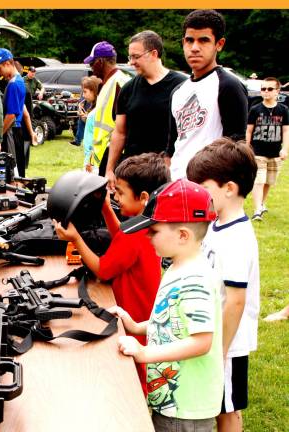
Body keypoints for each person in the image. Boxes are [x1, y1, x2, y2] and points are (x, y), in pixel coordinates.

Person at [53, 153, 170, 394]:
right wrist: (106, 207)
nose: (116, 196)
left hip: (133, 319)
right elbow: (120, 237)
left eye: (120, 193)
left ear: (144, 197)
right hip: (143, 313)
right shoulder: (145, 224)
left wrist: (75, 239)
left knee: (135, 382)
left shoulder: (134, 235)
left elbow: (103, 270)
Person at [112, 178, 223, 431]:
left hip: (185, 408)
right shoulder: (177, 265)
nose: (148, 235)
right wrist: (136, 326)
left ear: (182, 235)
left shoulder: (196, 279)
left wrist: (144, 354)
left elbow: (201, 342)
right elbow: (172, 319)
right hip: (172, 400)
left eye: (154, 230)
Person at [186, 137, 259, 432]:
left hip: (228, 341)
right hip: (213, 334)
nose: (198, 195)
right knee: (217, 401)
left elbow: (236, 300)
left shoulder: (237, 237)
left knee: (227, 408)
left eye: (203, 189)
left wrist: (222, 350)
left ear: (229, 189)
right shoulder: (216, 224)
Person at [166, 9, 248, 181]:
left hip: (210, 185)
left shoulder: (228, 86)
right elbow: (172, 146)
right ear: (183, 42)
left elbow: (236, 147)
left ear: (219, 44)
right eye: (189, 40)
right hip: (176, 184)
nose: (194, 48)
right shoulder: (178, 91)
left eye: (204, 40)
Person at [106, 30, 187, 188]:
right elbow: (120, 132)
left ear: (154, 54)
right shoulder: (128, 89)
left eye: (136, 56)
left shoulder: (182, 86)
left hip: (167, 174)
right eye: (130, 57)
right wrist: (110, 169)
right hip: (133, 173)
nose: (131, 62)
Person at [83, 41, 131, 176]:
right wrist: (91, 159)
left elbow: (123, 126)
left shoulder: (119, 83)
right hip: (102, 158)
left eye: (92, 64)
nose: (91, 68)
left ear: (100, 61)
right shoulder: (107, 83)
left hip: (115, 158)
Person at [245, 77, 289, 221]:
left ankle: (262, 203)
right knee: (259, 179)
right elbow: (249, 130)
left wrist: (285, 149)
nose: (266, 92)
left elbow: (286, 131)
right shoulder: (255, 109)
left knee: (268, 181)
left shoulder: (283, 110)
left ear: (278, 91)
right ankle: (257, 210)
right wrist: (247, 147)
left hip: (275, 153)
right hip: (258, 152)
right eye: (263, 89)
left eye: (270, 89)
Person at [0, 48, 36, 177]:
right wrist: (31, 133)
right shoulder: (17, 81)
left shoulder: (14, 84)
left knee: (12, 173)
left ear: (7, 64)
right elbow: (24, 110)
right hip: (16, 132)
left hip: (12, 132)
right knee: (15, 171)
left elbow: (12, 115)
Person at [81, 76, 101, 171]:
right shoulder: (96, 111)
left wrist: (89, 161)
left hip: (92, 157)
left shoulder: (96, 112)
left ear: (94, 91)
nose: (83, 95)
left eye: (85, 92)